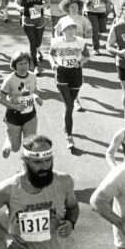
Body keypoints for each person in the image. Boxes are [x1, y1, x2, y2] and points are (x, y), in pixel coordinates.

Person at [48, 16, 91, 152]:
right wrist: (53, 64)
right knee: (69, 106)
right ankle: (69, 136)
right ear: (63, 30)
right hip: (62, 74)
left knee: (70, 106)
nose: (73, 29)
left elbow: (87, 56)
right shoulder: (57, 42)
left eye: (74, 27)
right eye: (69, 28)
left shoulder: (80, 41)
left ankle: (66, 123)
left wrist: (80, 62)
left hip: (76, 75)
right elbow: (50, 54)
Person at [0, 52, 43, 159]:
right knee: (15, 148)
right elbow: (1, 99)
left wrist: (36, 97)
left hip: (30, 115)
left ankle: (26, 166)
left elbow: (34, 90)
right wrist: (15, 106)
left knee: (30, 145)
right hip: (14, 116)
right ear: (15, 65)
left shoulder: (32, 76)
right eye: (20, 64)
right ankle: (8, 141)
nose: (23, 66)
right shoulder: (10, 79)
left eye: (25, 63)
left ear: (29, 64)